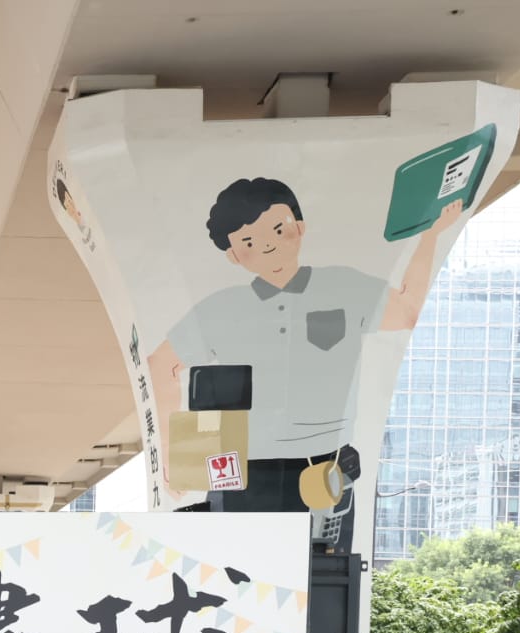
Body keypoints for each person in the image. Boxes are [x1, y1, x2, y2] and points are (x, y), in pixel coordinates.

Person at [150, 177, 461, 553]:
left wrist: (431, 236)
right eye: (248, 241)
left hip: (325, 468)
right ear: (233, 255)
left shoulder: (344, 286)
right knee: (240, 568)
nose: (267, 245)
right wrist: (171, 453)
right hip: (244, 470)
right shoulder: (219, 309)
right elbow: (161, 364)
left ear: (300, 227)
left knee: (321, 573)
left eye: (277, 229)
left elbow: (407, 310)